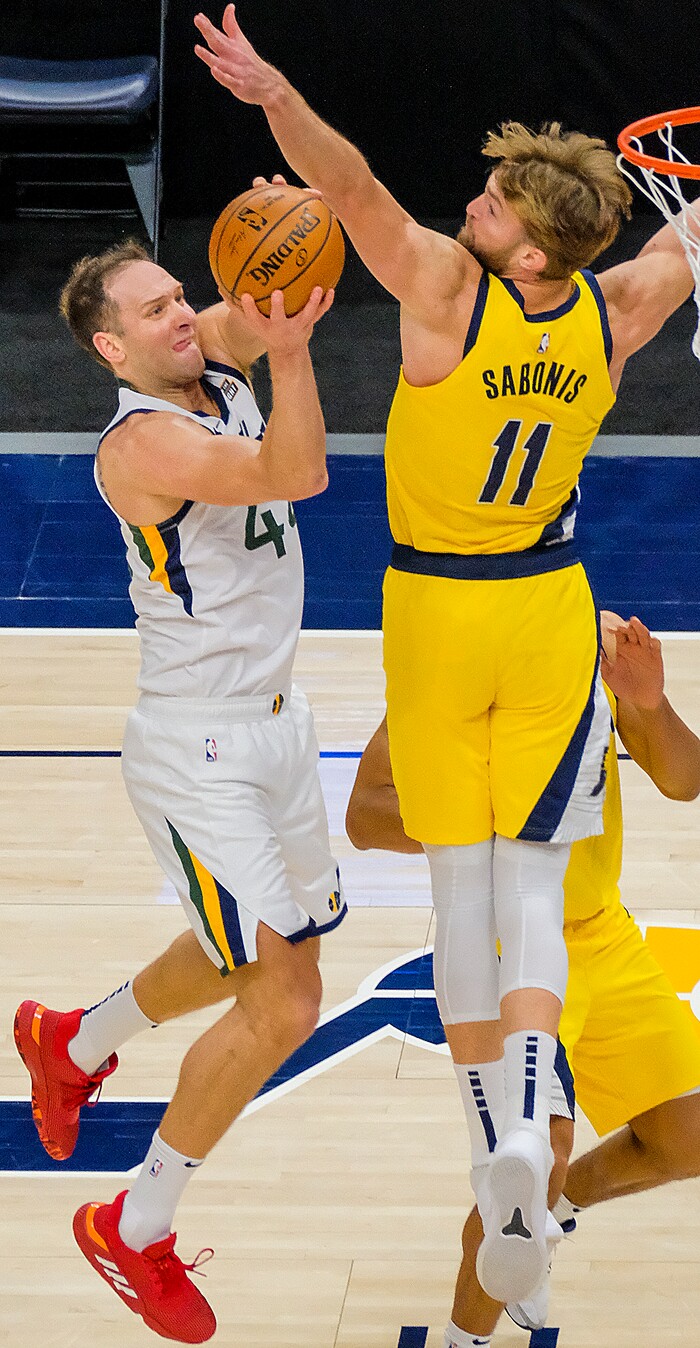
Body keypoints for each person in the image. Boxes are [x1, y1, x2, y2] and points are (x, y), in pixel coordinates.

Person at [193, 3, 700, 1306]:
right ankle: (530, 1141)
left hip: (443, 601)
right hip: (550, 600)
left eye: (494, 198)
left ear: (526, 245)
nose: (474, 199)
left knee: (472, 887)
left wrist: (270, 92)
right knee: (529, 882)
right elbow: (680, 246)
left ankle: (510, 1145)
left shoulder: (443, 296)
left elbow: (346, 181)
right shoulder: (614, 312)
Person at [13, 238, 342, 1343]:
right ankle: (133, 1225)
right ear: (111, 347)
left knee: (233, 944)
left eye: (176, 297)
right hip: (198, 755)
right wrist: (292, 354)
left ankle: (73, 1041)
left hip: (278, 729)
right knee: (284, 997)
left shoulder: (211, 363)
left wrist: (285, 210)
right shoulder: (144, 440)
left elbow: (256, 305)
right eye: (153, 312)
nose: (180, 318)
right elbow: (294, 474)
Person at [346, 612, 700, 1346]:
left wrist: (649, 701)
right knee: (532, 1159)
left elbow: (683, 778)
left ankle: (555, 1213)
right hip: (506, 947)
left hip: (603, 932)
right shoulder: (448, 656)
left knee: (688, 1136)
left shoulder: (584, 645)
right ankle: (464, 1338)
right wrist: (483, 823)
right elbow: (365, 814)